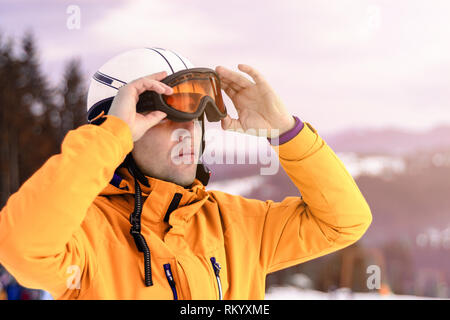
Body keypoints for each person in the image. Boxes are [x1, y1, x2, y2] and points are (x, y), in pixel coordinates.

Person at [0, 48, 372, 299]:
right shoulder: (87, 239)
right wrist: (110, 137)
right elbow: (21, 247)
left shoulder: (237, 225)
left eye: (196, 118)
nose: (188, 131)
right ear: (119, 128)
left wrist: (285, 131)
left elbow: (344, 222)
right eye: (165, 117)